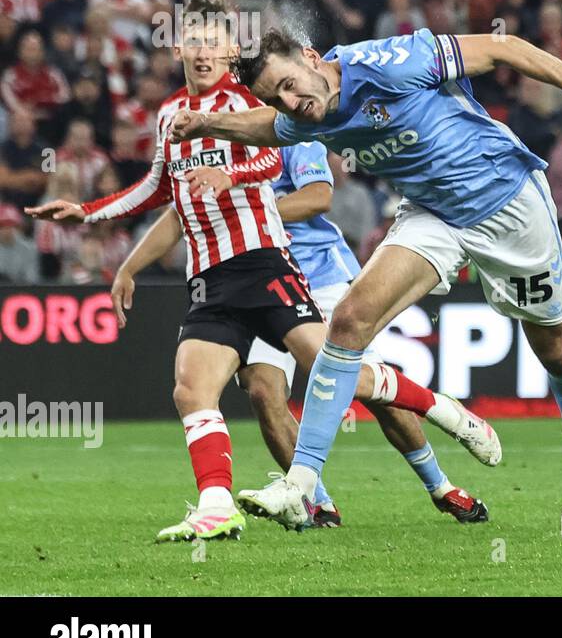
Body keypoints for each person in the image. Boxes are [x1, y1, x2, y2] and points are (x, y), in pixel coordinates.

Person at [26, 0, 497, 543]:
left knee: (347, 377)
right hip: (211, 278)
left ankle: (442, 427)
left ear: (231, 50)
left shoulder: (270, 104)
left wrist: (232, 181)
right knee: (209, 389)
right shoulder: (171, 115)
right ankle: (245, 504)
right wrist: (91, 217)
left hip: (285, 264)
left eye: (213, 42)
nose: (202, 53)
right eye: (192, 42)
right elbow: (167, 195)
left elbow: (293, 174)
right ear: (176, 49)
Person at [170, 27, 562, 550]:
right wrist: (208, 122)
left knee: (554, 348)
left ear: (310, 57)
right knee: (347, 321)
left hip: (505, 201)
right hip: (433, 215)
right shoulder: (306, 112)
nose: (290, 103)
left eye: (288, 85)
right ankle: (300, 483)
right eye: (276, 97)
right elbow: (271, 128)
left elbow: (504, 48)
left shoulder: (386, 64)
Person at [116, 139, 491, 527]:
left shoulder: (285, 133)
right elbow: (180, 213)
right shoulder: (204, 147)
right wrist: (130, 266)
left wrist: (252, 214)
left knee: (370, 391)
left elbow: (317, 197)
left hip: (321, 276)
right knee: (263, 391)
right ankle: (315, 501)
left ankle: (440, 482)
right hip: (258, 282)